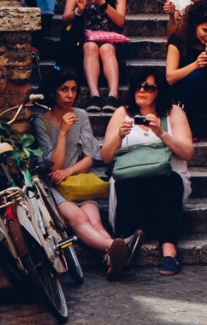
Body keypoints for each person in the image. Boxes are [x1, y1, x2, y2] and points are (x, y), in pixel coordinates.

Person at [32, 68, 139, 280]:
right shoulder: (40, 122)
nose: (70, 95)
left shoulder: (81, 115)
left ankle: (113, 259)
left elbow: (90, 157)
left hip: (78, 181)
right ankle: (118, 248)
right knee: (79, 218)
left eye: (73, 90)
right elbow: (54, 167)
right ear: (53, 92)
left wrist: (68, 171)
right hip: (52, 185)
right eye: (64, 90)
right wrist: (62, 132)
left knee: (96, 222)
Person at [101, 69, 193, 277]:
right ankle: (124, 248)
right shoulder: (122, 113)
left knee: (167, 182)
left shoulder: (173, 113)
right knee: (128, 182)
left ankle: (169, 251)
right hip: (131, 180)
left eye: (149, 87)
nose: (142, 91)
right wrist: (118, 137)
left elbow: (187, 152)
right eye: (138, 86)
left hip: (166, 179)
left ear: (159, 91)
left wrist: (160, 132)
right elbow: (106, 157)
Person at [61, 0, 128, 113]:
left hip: (111, 40)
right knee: (90, 46)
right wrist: (79, 10)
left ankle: (113, 95)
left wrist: (102, 3)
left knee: (106, 48)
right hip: (85, 39)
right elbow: (65, 18)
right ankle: (94, 94)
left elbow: (120, 21)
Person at [165, 0, 207, 138]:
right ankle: (191, 124)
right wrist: (195, 65)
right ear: (195, 25)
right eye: (205, 30)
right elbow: (170, 77)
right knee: (197, 77)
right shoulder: (178, 40)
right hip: (185, 87)